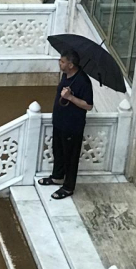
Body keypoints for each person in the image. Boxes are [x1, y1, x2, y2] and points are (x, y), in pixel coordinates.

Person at [38, 48, 93, 199]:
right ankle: (57, 177)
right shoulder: (66, 75)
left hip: (72, 126)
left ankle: (68, 187)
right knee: (58, 151)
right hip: (59, 122)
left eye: (62, 61)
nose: (59, 63)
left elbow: (88, 105)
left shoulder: (83, 81)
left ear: (71, 64)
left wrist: (70, 97)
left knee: (70, 157)